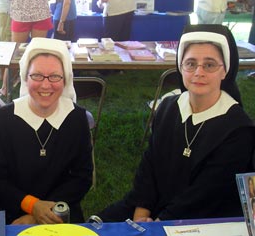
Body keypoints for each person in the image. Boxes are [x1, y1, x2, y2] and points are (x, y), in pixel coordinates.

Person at [96, 24, 255, 222]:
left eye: (210, 64)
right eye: (190, 63)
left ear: (225, 71)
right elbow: (149, 164)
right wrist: (142, 210)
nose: (199, 72)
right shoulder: (168, 107)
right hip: (152, 205)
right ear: (180, 67)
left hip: (201, 218)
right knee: (92, 227)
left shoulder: (238, 130)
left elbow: (206, 195)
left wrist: (159, 224)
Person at [0, 37, 93, 225]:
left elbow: (82, 177)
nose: (45, 85)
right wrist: (32, 206)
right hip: (12, 208)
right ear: (25, 78)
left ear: (66, 79)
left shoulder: (76, 119)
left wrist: (42, 213)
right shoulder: (4, 118)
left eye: (55, 76)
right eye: (37, 75)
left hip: (61, 208)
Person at [0, 0, 11, 97]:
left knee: (4, 44)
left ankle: (3, 76)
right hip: (7, 11)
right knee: (8, 46)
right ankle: (5, 82)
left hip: (2, 9)